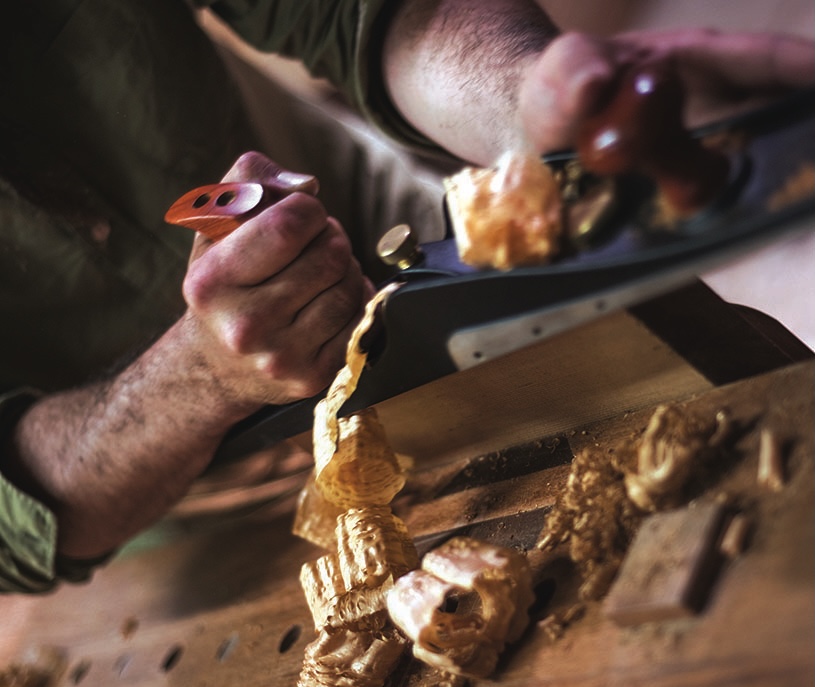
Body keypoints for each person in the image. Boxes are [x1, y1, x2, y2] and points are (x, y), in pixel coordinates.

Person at [1, 0, 812, 593]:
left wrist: (524, 96)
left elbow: (361, 14)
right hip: (151, 508)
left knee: (700, 385)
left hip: (356, 225)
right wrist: (197, 381)